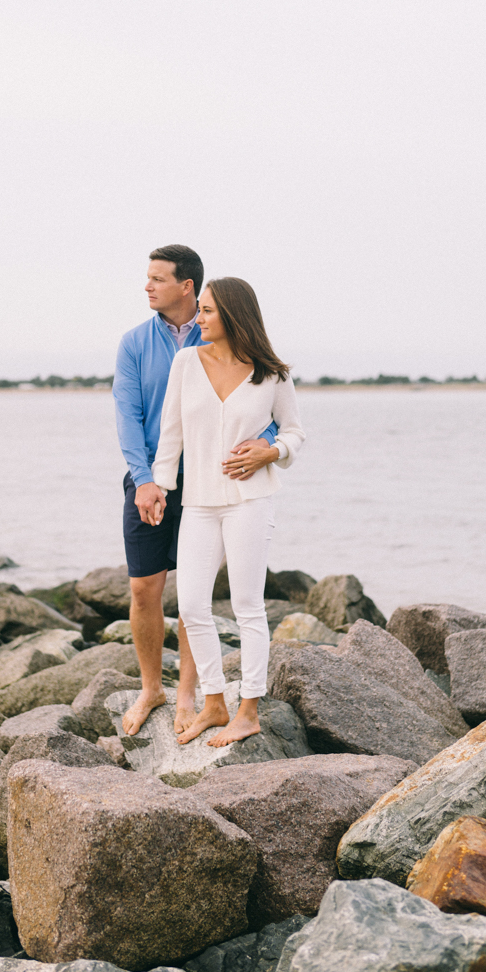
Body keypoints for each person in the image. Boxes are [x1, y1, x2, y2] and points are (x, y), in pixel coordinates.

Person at [112, 246, 281, 736]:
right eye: (147, 278)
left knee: (198, 589)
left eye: (157, 279)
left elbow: (268, 414)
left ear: (186, 286)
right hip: (153, 477)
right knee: (145, 588)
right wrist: (145, 480)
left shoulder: (237, 345)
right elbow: (131, 416)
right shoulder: (135, 344)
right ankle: (151, 690)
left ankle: (191, 696)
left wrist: (266, 447)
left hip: (214, 480)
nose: (147, 286)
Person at [150, 277, 305, 746]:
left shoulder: (271, 372)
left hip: (249, 501)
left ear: (235, 315)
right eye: (200, 310)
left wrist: (271, 451)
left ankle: (249, 710)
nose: (198, 319)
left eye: (209, 311)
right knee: (192, 606)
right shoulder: (185, 363)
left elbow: (296, 431)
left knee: (247, 607)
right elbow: (170, 433)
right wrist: (160, 486)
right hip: (197, 502)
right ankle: (214, 703)